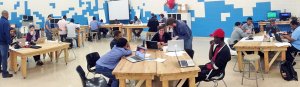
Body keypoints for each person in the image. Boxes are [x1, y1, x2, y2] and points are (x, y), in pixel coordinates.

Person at [0, 10, 13, 78]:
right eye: (8, 15)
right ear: (6, 15)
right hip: (3, 43)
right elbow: (7, 34)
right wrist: (10, 42)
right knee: (4, 58)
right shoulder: (6, 22)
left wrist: (10, 28)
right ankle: (4, 73)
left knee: (0, 56)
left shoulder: (1, 21)